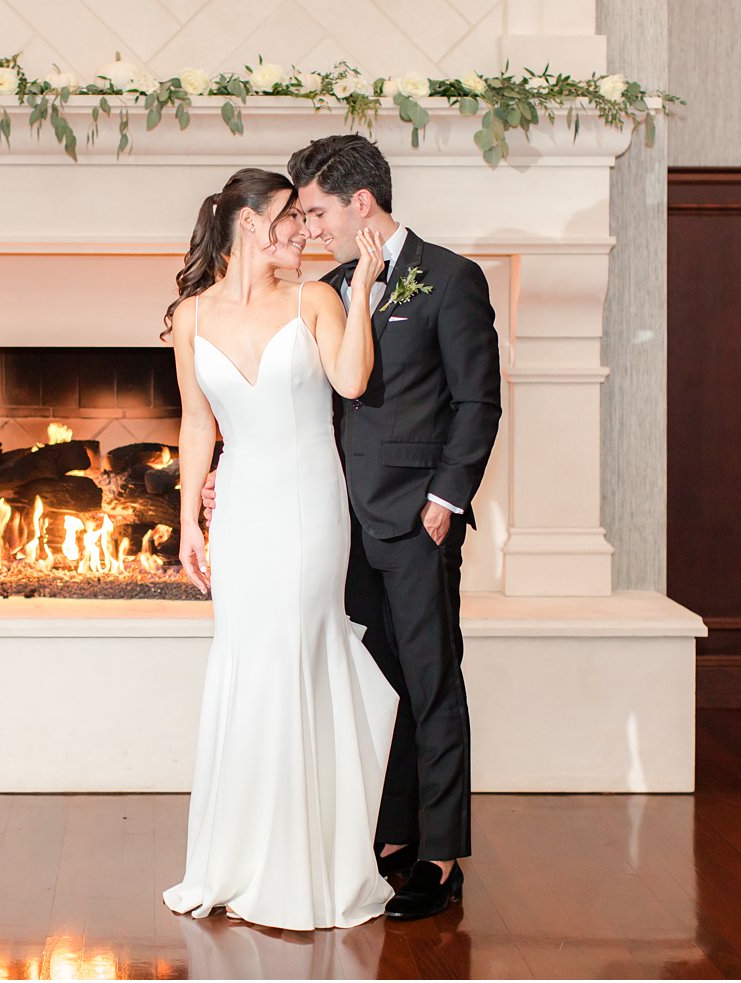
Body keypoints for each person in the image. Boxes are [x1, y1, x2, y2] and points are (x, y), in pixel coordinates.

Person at [206, 135, 502, 921]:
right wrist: (226, 465)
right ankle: (392, 839)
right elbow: (308, 397)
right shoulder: (332, 286)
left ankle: (442, 857)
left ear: (360, 203)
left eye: (317, 211)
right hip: (336, 521)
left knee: (433, 682)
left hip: (417, 519)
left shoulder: (451, 278)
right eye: (298, 215)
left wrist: (448, 497)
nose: (309, 227)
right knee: (377, 685)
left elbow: (478, 402)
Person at [160, 167, 399, 931]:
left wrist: (361, 288)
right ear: (252, 225)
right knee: (246, 658)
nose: (304, 230)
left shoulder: (317, 297)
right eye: (291, 217)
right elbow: (198, 423)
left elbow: (354, 380)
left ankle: (308, 864)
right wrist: (188, 521)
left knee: (299, 648)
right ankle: (235, 858)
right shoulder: (191, 316)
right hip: (243, 511)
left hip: (308, 507)